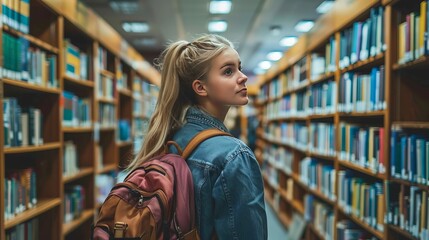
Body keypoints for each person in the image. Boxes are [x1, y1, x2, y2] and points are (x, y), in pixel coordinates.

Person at [127, 34, 267, 240]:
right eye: (228, 71)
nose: (243, 76)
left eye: (239, 67)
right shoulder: (234, 155)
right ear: (200, 87)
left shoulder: (172, 138)